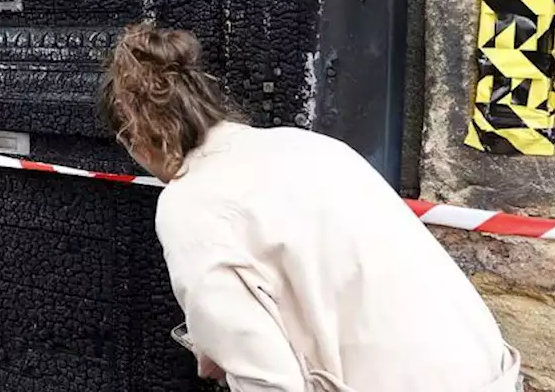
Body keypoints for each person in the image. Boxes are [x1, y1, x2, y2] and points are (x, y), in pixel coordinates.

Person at [98, 22, 521, 391]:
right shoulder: (308, 146)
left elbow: (269, 380)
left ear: (134, 139)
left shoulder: (190, 203)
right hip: (489, 372)